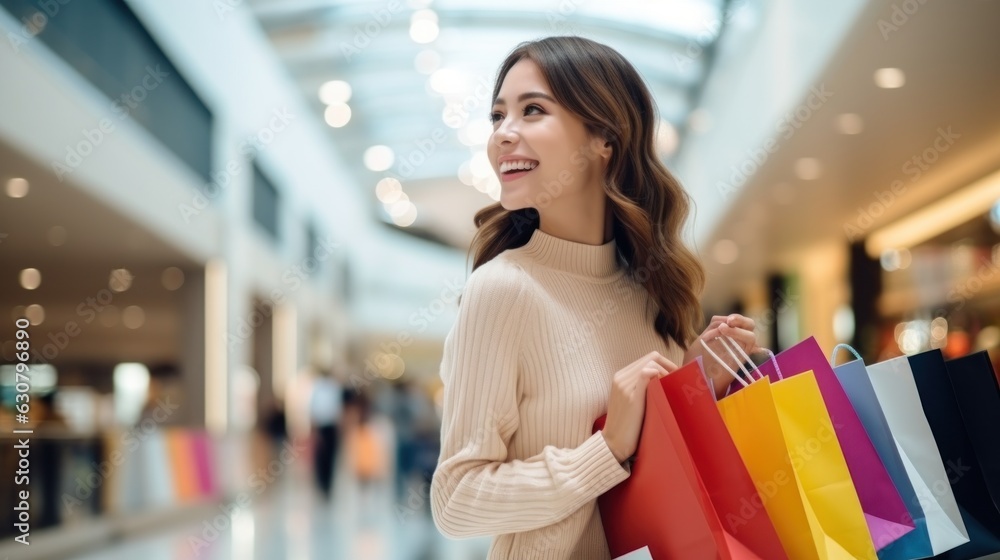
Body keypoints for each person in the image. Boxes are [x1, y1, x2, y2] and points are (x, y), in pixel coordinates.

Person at [429, 36, 760, 560]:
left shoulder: (653, 291)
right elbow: (456, 500)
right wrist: (604, 450)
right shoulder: (502, 290)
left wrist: (690, 387)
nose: (502, 136)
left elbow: (662, 480)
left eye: (531, 110)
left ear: (605, 137)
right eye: (497, 117)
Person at [309, 370, 344, 500]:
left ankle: (327, 485)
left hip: (330, 426)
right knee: (322, 456)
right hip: (322, 426)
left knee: (329, 456)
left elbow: (337, 409)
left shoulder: (333, 388)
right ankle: (322, 484)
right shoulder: (319, 388)